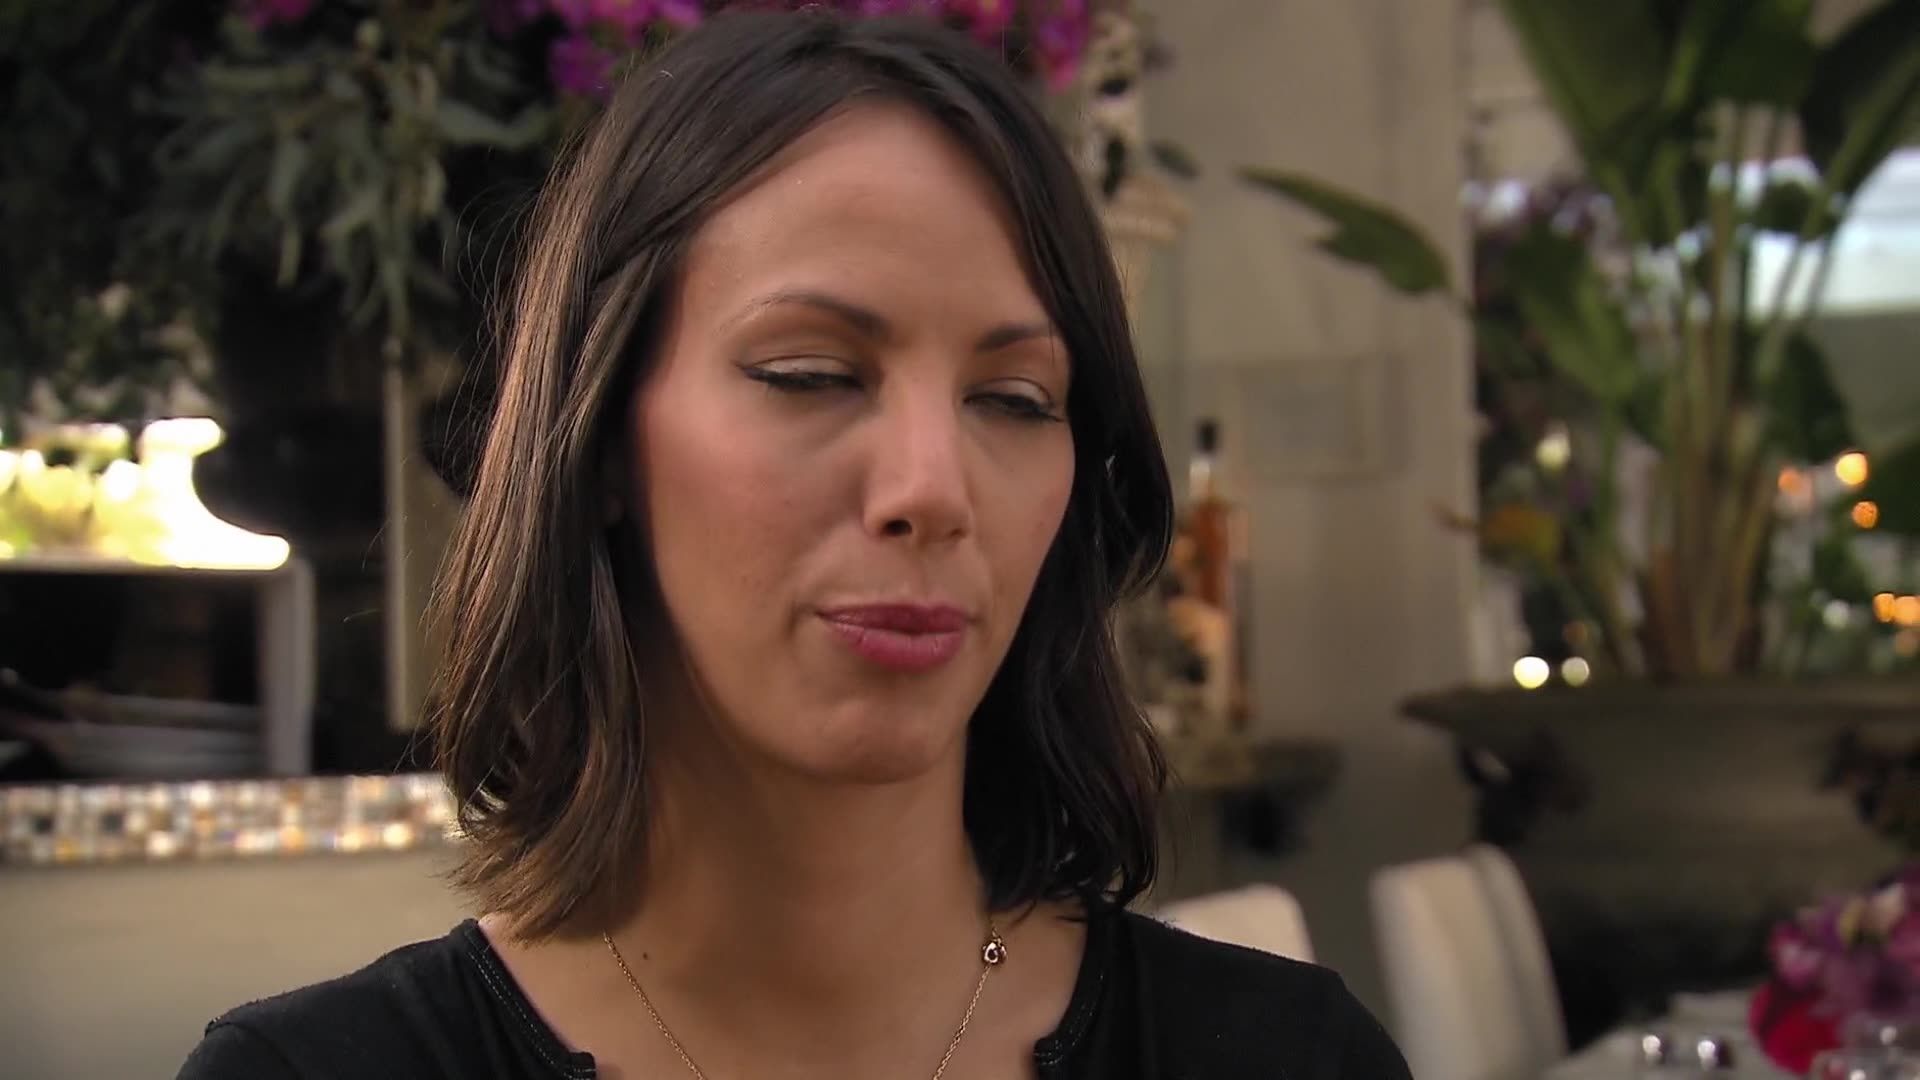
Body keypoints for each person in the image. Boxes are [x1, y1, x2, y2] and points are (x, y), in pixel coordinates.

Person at [178, 10, 1410, 1079]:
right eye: (810, 374)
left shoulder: (1281, 1056)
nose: (931, 489)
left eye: (1014, 399)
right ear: (599, 440)